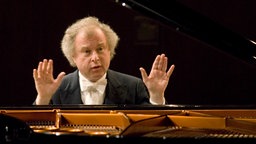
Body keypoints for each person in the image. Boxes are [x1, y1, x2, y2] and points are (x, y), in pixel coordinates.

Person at [33, 16, 175, 105]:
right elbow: (34, 131)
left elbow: (152, 130)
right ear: (73, 57)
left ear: (110, 50)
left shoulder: (134, 86)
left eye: (100, 49)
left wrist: (156, 96)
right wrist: (43, 98)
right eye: (87, 51)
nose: (95, 57)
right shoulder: (56, 89)